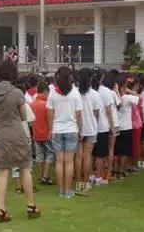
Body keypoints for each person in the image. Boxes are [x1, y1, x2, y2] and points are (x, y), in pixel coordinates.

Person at [0, 61, 40, 222]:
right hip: (17, 133)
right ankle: (31, 206)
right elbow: (24, 116)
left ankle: (1, 209)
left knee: (3, 172)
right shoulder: (17, 93)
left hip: (1, 134)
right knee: (24, 168)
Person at [47, 66, 83, 199]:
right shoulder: (75, 93)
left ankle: (61, 190)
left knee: (59, 161)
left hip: (57, 130)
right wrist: (80, 129)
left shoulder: (52, 93)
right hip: (72, 129)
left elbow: (49, 114)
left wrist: (50, 129)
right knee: (69, 162)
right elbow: (79, 114)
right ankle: (67, 191)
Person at [75, 68, 100, 196]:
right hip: (90, 128)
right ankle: (85, 184)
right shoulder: (95, 94)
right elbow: (97, 113)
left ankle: (79, 182)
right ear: (91, 78)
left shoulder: (74, 92)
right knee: (87, 156)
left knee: (79, 156)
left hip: (77, 128)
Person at [30, 81, 54, 185]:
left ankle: (41, 176)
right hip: (46, 133)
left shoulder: (31, 104)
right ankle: (45, 176)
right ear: (45, 92)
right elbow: (51, 119)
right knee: (49, 154)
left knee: (39, 155)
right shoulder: (46, 105)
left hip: (36, 134)